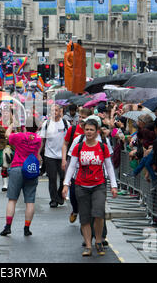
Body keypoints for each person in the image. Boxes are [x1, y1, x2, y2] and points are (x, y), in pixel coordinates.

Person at [63, 118, 118, 257]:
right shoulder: (78, 147)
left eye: (91, 130)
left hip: (99, 185)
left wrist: (113, 185)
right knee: (85, 217)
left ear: (96, 131)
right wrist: (65, 184)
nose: (88, 132)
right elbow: (71, 168)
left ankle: (98, 241)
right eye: (86, 129)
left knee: (98, 214)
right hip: (81, 185)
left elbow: (109, 167)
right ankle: (88, 245)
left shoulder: (102, 147)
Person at [0, 120, 42, 237]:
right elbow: (38, 154)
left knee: (12, 199)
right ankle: (27, 227)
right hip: (31, 169)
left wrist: (11, 125)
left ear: (25, 127)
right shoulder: (39, 139)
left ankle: (8, 226)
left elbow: (7, 135)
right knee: (30, 200)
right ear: (37, 128)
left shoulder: (19, 136)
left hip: (18, 167)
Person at [61, 107, 92, 223]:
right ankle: (75, 210)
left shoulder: (94, 132)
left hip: (89, 168)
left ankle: (87, 220)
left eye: (83, 117)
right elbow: (65, 144)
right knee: (73, 193)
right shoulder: (73, 130)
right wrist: (64, 159)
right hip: (74, 165)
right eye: (80, 117)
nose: (80, 119)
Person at [39, 104, 70, 208]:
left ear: (60, 111)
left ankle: (59, 197)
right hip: (49, 156)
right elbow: (42, 140)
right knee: (52, 179)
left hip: (62, 156)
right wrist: (38, 153)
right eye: (52, 110)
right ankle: (53, 199)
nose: (54, 112)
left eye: (56, 110)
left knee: (63, 178)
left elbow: (70, 139)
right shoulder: (46, 124)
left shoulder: (66, 123)